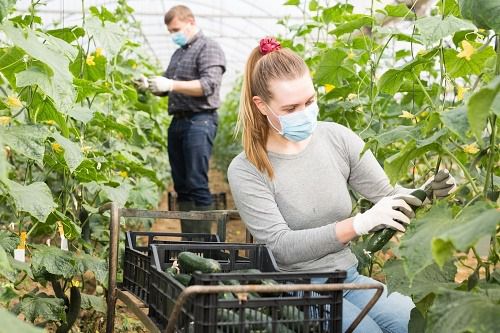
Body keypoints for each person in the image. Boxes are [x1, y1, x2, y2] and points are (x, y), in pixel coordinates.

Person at [227, 37, 456, 333]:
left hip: (349, 277)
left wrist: (426, 192)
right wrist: (358, 224)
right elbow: (281, 247)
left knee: (417, 323)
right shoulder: (247, 169)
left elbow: (386, 195)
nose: (305, 113)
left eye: (310, 101)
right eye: (291, 108)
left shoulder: (337, 138)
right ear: (261, 106)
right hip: (297, 291)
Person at [140, 5, 226, 233]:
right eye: (169, 31)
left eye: (175, 29)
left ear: (191, 22)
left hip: (200, 120)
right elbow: (167, 85)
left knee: (197, 182)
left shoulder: (209, 48)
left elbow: (208, 85)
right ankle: (189, 243)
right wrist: (151, 85)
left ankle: (204, 246)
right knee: (182, 185)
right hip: (178, 122)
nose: (173, 34)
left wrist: (170, 84)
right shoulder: (179, 53)